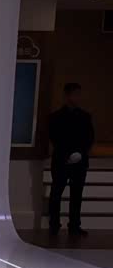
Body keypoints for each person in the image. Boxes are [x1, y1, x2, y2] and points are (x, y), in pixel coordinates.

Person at [48, 83, 95, 236]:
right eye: (75, 94)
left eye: (79, 94)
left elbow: (89, 137)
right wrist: (67, 155)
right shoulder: (56, 117)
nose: (77, 97)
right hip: (61, 161)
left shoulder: (85, 116)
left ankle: (74, 225)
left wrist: (80, 153)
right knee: (56, 194)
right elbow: (55, 138)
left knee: (76, 195)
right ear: (67, 96)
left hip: (80, 162)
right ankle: (54, 225)